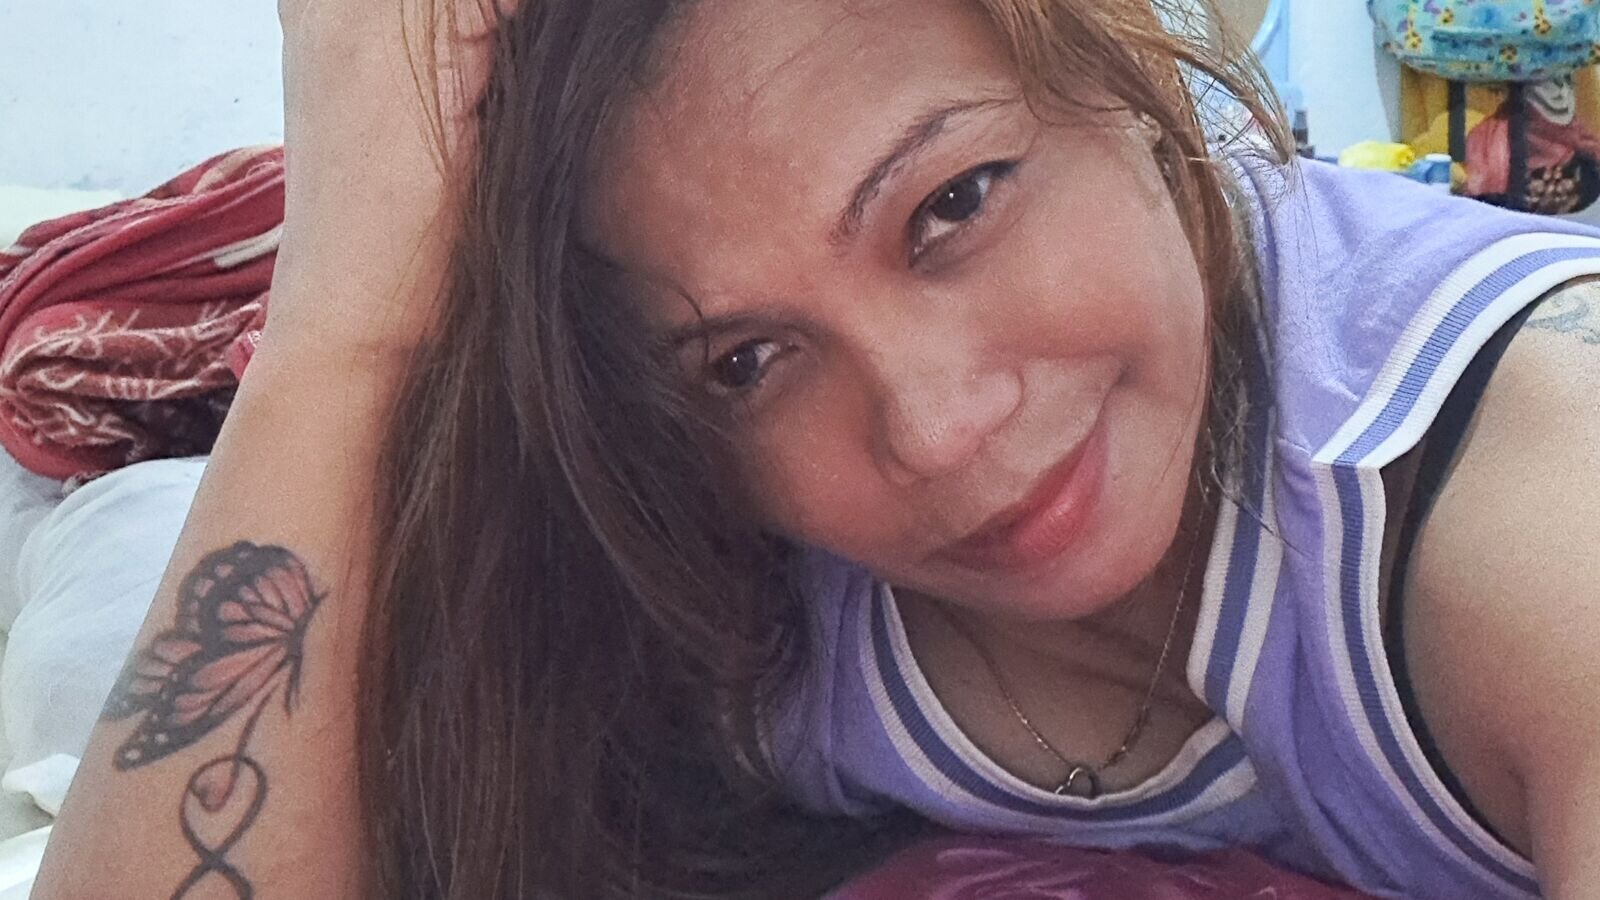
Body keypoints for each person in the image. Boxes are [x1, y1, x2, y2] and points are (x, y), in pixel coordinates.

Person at [27, 0, 1600, 897]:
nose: (935, 427)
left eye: (953, 205)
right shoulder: (705, 549)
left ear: (1116, 62)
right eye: (749, 358)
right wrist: (345, 331)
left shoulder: (1521, 496)